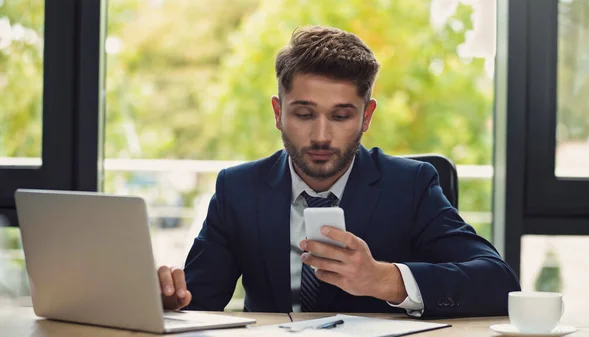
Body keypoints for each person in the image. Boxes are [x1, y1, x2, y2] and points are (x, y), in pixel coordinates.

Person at [157, 25, 520, 317]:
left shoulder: (411, 185)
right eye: (303, 114)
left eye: (341, 116)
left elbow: (498, 282)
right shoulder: (238, 189)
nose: (320, 136)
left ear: (367, 116)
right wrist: (168, 298)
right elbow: (197, 301)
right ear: (278, 112)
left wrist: (385, 279)